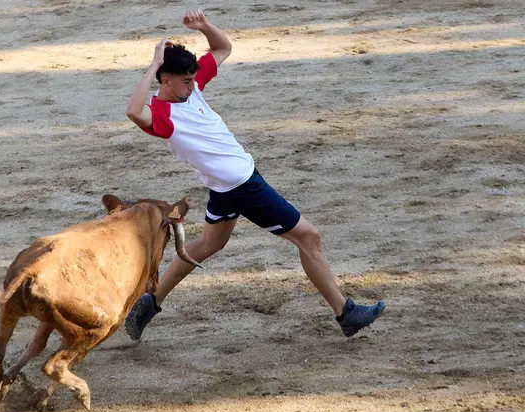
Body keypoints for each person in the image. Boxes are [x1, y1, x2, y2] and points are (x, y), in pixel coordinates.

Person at [124, 9, 385, 340]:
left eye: (193, 78)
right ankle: (345, 313)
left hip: (225, 187)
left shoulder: (192, 88)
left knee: (207, 244)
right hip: (244, 187)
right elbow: (133, 110)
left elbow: (222, 49)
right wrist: (154, 63)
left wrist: (204, 27)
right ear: (165, 80)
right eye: (185, 80)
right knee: (309, 238)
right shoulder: (162, 115)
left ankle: (150, 303)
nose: (193, 83)